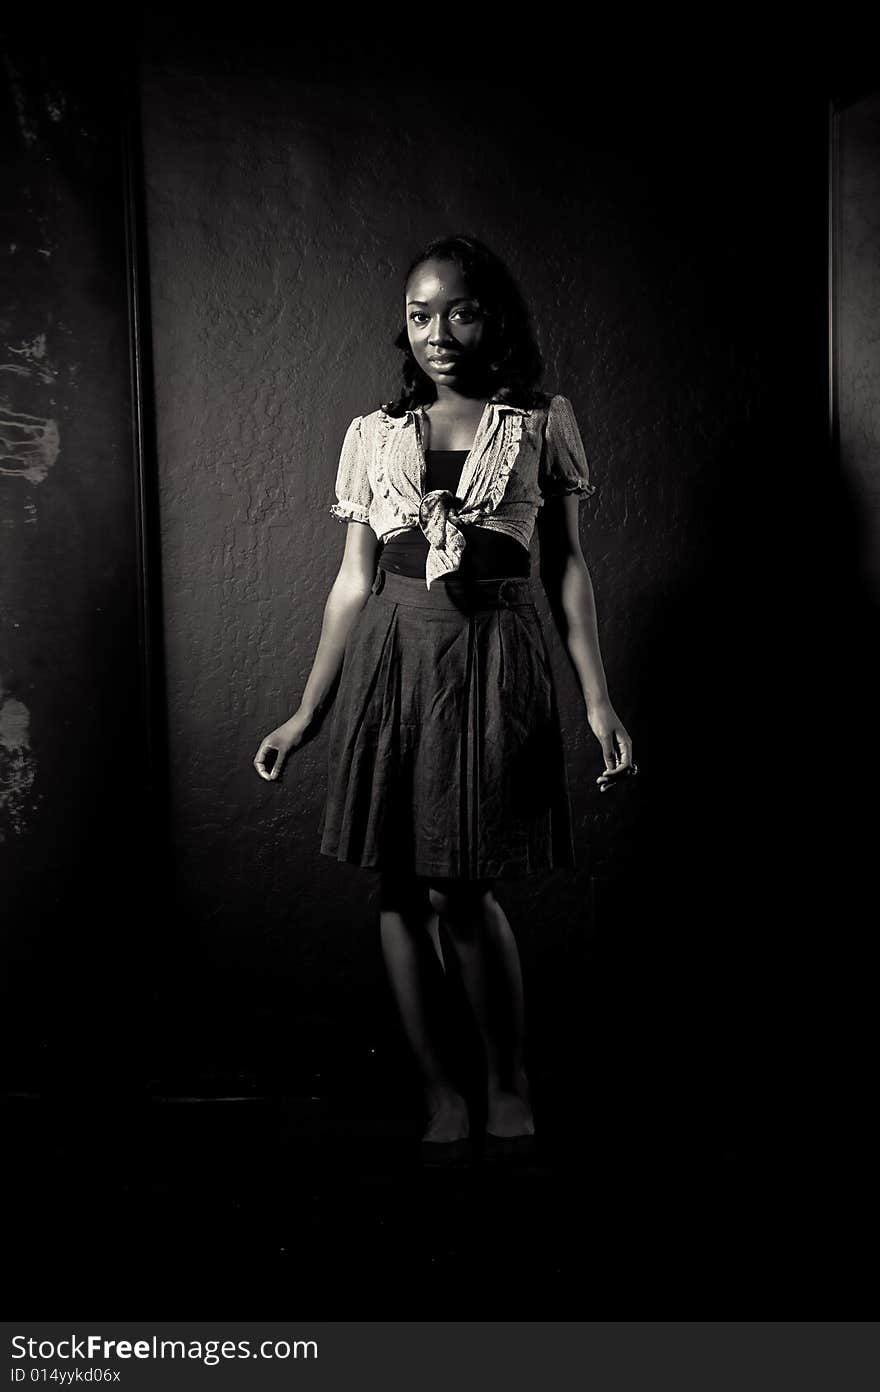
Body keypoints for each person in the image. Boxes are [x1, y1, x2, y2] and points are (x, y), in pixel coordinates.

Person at [254, 235, 636, 1165]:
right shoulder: (372, 432)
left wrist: (598, 700)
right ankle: (441, 1093)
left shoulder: (541, 419)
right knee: (396, 885)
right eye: (420, 315)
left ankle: (508, 1082)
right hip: (393, 654)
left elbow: (568, 566)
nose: (437, 333)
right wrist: (306, 712)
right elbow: (350, 583)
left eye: (458, 311)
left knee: (463, 888)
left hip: (493, 651)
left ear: (492, 315)